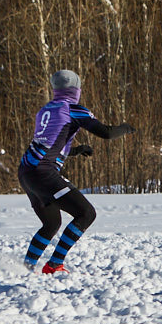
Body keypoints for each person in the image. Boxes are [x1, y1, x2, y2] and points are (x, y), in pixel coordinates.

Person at [20, 70, 135, 274]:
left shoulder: (45, 109)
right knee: (86, 213)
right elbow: (106, 133)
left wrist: (75, 151)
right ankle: (54, 265)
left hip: (27, 171)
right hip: (43, 172)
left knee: (51, 223)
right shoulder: (73, 108)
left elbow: (48, 144)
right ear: (76, 90)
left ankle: (25, 269)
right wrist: (125, 128)